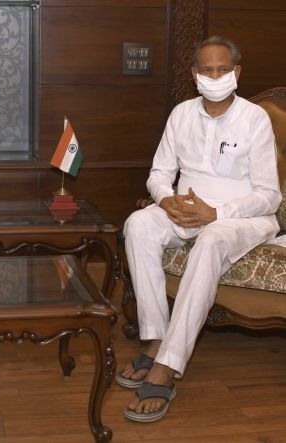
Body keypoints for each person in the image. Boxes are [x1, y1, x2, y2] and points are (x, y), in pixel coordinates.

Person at [117, 36, 281, 422]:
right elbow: (159, 173)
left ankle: (168, 366)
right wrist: (164, 199)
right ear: (194, 76)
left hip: (241, 218)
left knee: (209, 241)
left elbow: (270, 195)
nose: (215, 75)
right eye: (207, 69)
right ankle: (156, 339)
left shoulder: (254, 118)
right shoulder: (181, 114)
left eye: (223, 69)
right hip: (184, 211)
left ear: (237, 73)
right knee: (137, 223)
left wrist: (217, 212)